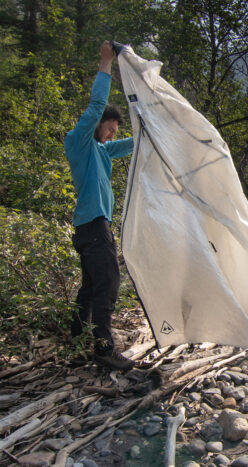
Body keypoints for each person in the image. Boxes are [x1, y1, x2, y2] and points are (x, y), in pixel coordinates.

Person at [65, 40, 135, 371]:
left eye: (113, 132)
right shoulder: (78, 141)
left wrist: (151, 126)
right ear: (98, 124)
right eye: (109, 129)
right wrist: (106, 63)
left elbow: (129, 144)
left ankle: (77, 341)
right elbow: (96, 106)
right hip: (93, 226)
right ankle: (104, 349)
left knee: (92, 287)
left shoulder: (102, 150)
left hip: (90, 227)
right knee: (108, 282)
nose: (110, 135)